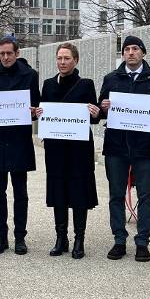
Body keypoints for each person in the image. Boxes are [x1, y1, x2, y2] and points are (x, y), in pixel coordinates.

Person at [98, 36, 150, 262]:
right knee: (116, 194)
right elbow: (101, 110)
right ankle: (119, 240)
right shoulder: (111, 78)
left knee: (145, 195)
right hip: (116, 146)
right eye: (127, 49)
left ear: (143, 53)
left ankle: (142, 241)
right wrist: (103, 107)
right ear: (123, 54)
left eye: (135, 49)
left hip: (145, 147)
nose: (131, 53)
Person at [36, 43, 100, 259]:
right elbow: (42, 112)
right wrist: (39, 112)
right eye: (59, 58)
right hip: (55, 148)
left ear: (76, 60)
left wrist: (95, 111)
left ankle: (79, 238)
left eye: (67, 58)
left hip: (79, 148)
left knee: (79, 192)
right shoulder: (48, 84)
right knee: (58, 190)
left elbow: (95, 114)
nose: (62, 62)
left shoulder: (86, 84)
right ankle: (60, 237)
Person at [0, 36, 40, 255]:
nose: (5, 57)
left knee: (20, 192)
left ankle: (20, 237)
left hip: (20, 140)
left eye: (9, 53)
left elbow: (36, 104)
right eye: (2, 53)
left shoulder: (30, 75)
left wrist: (34, 111)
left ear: (17, 53)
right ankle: (0, 236)